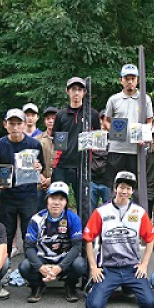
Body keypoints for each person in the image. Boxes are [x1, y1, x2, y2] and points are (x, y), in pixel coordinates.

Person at [83, 172, 154, 308]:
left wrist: (144, 264)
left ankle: (127, 286)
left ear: (132, 191)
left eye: (128, 188)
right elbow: (88, 238)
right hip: (109, 268)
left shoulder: (139, 212)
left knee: (149, 304)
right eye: (121, 187)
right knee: (93, 307)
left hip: (131, 267)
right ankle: (96, 286)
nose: (124, 191)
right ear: (115, 188)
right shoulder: (101, 211)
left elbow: (151, 238)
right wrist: (93, 267)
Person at [0, 108, 45, 256]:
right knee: (5, 234)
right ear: (5, 124)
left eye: (18, 123)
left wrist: (39, 167)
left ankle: (30, 268)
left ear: (24, 124)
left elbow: (42, 166)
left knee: (29, 235)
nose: (15, 127)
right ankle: (2, 268)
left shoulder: (34, 144)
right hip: (7, 195)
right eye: (11, 123)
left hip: (28, 195)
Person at [19, 182, 87, 303]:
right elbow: (28, 247)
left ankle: (70, 285)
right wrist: (40, 267)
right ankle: (37, 286)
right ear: (47, 200)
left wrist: (60, 267)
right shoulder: (36, 219)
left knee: (80, 264)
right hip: (42, 258)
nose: (56, 202)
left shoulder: (73, 218)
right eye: (53, 198)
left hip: (64, 259)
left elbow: (77, 247)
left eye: (61, 199)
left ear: (66, 202)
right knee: (24, 266)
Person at [52, 77, 100, 209]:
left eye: (79, 89)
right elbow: (56, 139)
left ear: (84, 92)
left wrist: (95, 146)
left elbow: (98, 137)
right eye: (73, 89)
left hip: (83, 166)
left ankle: (82, 229)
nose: (76, 93)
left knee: (83, 204)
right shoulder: (61, 115)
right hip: (62, 164)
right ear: (67, 91)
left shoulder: (92, 114)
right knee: (59, 202)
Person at [104, 63, 153, 184]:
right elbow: (106, 120)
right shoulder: (113, 99)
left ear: (138, 80)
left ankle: (136, 204)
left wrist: (144, 135)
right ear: (121, 80)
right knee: (114, 184)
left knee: (136, 185)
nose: (130, 81)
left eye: (133, 78)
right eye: (126, 78)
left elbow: (149, 121)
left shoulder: (145, 99)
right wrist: (114, 131)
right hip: (116, 149)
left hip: (137, 150)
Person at [90, 112, 112, 210]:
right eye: (101, 119)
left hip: (107, 181)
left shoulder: (114, 139)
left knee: (109, 212)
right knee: (90, 212)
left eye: (105, 120)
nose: (102, 123)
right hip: (92, 180)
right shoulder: (90, 137)